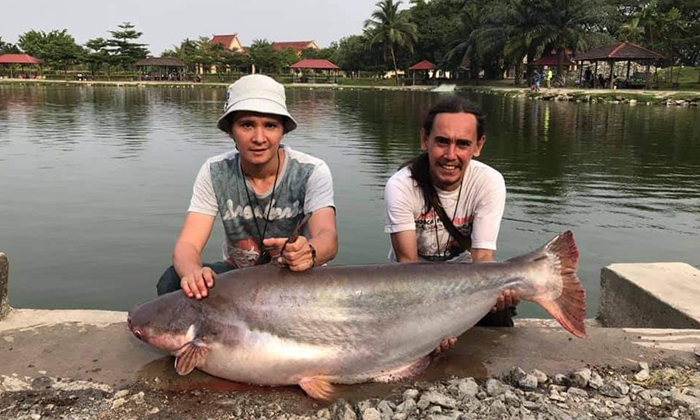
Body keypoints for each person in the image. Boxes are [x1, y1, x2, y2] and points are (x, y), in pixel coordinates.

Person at [157, 74, 338, 299]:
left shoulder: (311, 170)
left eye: (270, 125)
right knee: (172, 280)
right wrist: (194, 274)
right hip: (239, 276)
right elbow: (188, 244)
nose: (259, 138)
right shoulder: (216, 171)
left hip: (296, 275)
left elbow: (327, 237)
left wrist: (308, 252)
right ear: (231, 130)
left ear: (283, 130)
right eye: (247, 125)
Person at [383, 96, 520, 326]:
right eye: (442, 142)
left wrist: (495, 291)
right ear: (424, 140)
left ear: (479, 146)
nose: (450, 155)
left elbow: (483, 257)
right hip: (413, 287)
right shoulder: (401, 185)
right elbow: (407, 264)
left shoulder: (489, 182)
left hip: (467, 283)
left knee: (501, 311)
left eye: (463, 144)